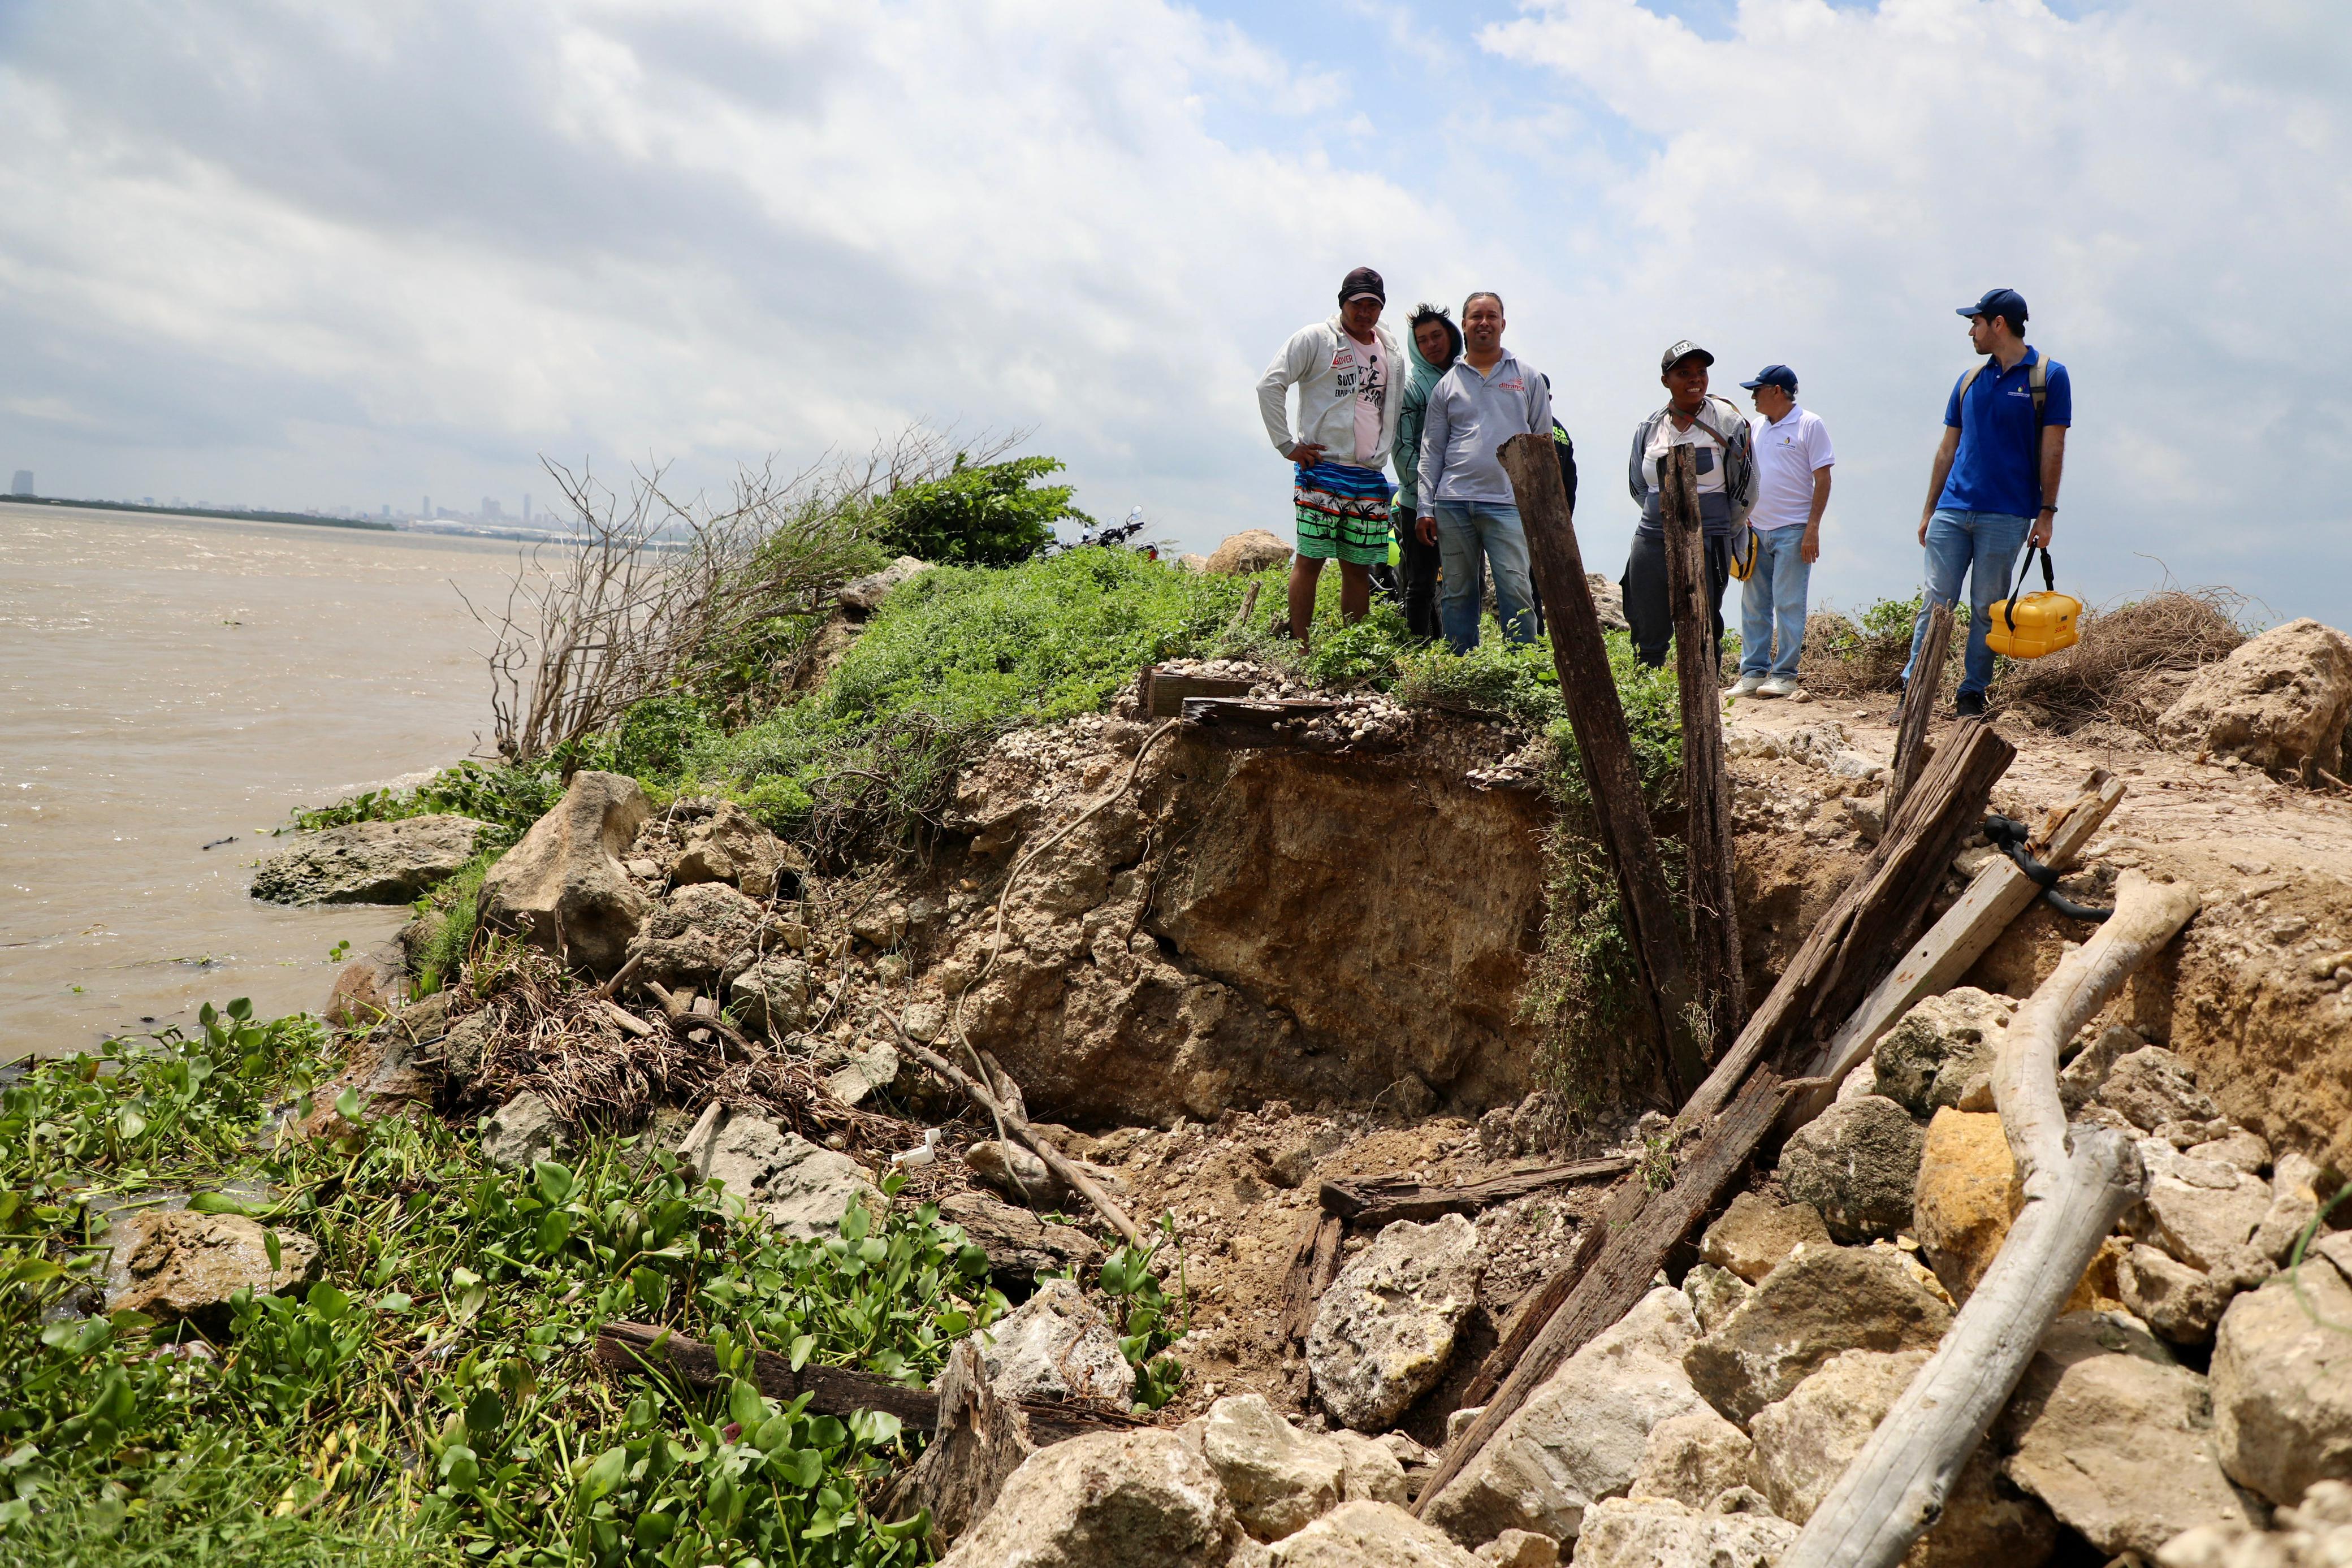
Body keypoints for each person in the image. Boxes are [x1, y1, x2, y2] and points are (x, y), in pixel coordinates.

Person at [1903, 288, 2071, 717]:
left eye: (1975, 323)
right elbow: (1946, 450)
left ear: (1999, 324)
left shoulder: (2049, 376)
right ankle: (1912, 690)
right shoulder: (1968, 380)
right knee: (1936, 602)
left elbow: (2053, 449)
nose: (1971, 332)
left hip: (2008, 512)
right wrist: (1928, 509)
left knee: (1986, 608)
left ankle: (1971, 693)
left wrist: (2046, 513)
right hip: (1952, 510)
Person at [1256, 266, 1404, 642]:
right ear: (1343, 303)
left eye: (1373, 304)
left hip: (1369, 474)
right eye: (1358, 304)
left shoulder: (1390, 349)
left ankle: (1351, 651)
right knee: (1311, 561)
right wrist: (1287, 444)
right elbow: (1270, 384)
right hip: (1322, 468)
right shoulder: (1316, 339)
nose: (1365, 312)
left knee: (1358, 567)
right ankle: (1302, 647)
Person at [1413, 292, 1551, 653]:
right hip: (1453, 502)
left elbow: (1543, 445)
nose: (1484, 323)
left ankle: (1521, 672)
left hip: (1508, 503)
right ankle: (1462, 668)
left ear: (1503, 324)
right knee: (1458, 592)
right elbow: (1432, 450)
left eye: (1492, 316)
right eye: (1476, 317)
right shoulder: (1448, 384)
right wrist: (1425, 508)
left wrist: (1540, 507)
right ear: (1464, 325)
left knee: (1516, 588)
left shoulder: (1527, 378)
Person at [1623, 341, 1754, 668]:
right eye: (1684, 373)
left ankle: (1705, 705)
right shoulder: (1650, 426)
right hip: (1652, 535)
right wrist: (1664, 517)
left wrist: (1722, 528)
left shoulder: (1728, 423)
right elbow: (1638, 485)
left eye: (1701, 372)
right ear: (1666, 380)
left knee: (1704, 622)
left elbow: (1746, 489)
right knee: (1645, 617)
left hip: (1709, 536)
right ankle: (1650, 702)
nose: (1695, 379)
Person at [1731, 365, 1834, 698]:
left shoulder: (1810, 424)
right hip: (1756, 530)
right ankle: (1753, 674)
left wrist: (1812, 529)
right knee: (1754, 604)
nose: (1753, 397)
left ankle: (1785, 675)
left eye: (1758, 390)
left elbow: (1823, 478)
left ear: (1777, 390)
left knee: (1789, 603)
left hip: (1794, 530)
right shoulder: (1756, 427)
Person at [1391, 304, 1462, 642]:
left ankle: (1462, 653)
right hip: (1416, 502)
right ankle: (1415, 651)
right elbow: (1402, 448)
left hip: (1464, 498)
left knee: (1464, 581)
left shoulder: (1468, 378)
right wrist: (1424, 496)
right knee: (1419, 582)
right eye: (1422, 340)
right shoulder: (1411, 388)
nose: (1431, 344)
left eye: (1437, 335)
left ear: (1451, 335)